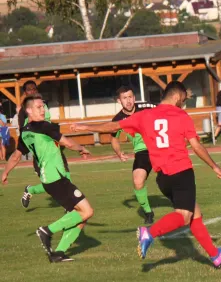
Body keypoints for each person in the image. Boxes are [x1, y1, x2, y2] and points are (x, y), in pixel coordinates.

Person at [70, 81, 221, 269]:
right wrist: (214, 166)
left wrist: (85, 127)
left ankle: (215, 255)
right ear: (177, 96)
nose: (183, 104)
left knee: (195, 213)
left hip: (163, 178)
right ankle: (150, 233)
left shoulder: (144, 115)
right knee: (184, 215)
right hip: (181, 172)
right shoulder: (181, 115)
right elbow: (196, 145)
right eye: (183, 100)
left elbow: (113, 126)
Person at [2, 95, 93, 263]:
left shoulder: (26, 132)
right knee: (87, 211)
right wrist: (81, 148)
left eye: (43, 107)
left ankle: (58, 253)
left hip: (48, 179)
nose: (43, 110)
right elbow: (67, 142)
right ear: (29, 110)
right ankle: (47, 231)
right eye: (38, 107)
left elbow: (16, 156)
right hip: (56, 178)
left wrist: (5, 172)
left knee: (81, 217)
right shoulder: (43, 126)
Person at [16, 80, 72, 209]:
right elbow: (24, 132)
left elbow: (47, 124)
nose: (33, 91)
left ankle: (71, 205)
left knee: (66, 177)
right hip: (41, 151)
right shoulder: (24, 111)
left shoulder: (43, 104)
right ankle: (31, 190)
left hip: (53, 145)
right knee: (50, 184)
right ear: (25, 93)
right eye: (29, 89)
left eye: (34, 88)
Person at [111, 86, 157, 224]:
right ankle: (148, 212)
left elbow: (166, 110)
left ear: (134, 98)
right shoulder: (118, 119)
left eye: (130, 97)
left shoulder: (147, 106)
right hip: (142, 152)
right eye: (124, 98)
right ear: (119, 101)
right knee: (137, 181)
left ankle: (183, 204)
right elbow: (113, 139)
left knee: (172, 177)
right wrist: (119, 152)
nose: (128, 100)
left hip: (159, 147)